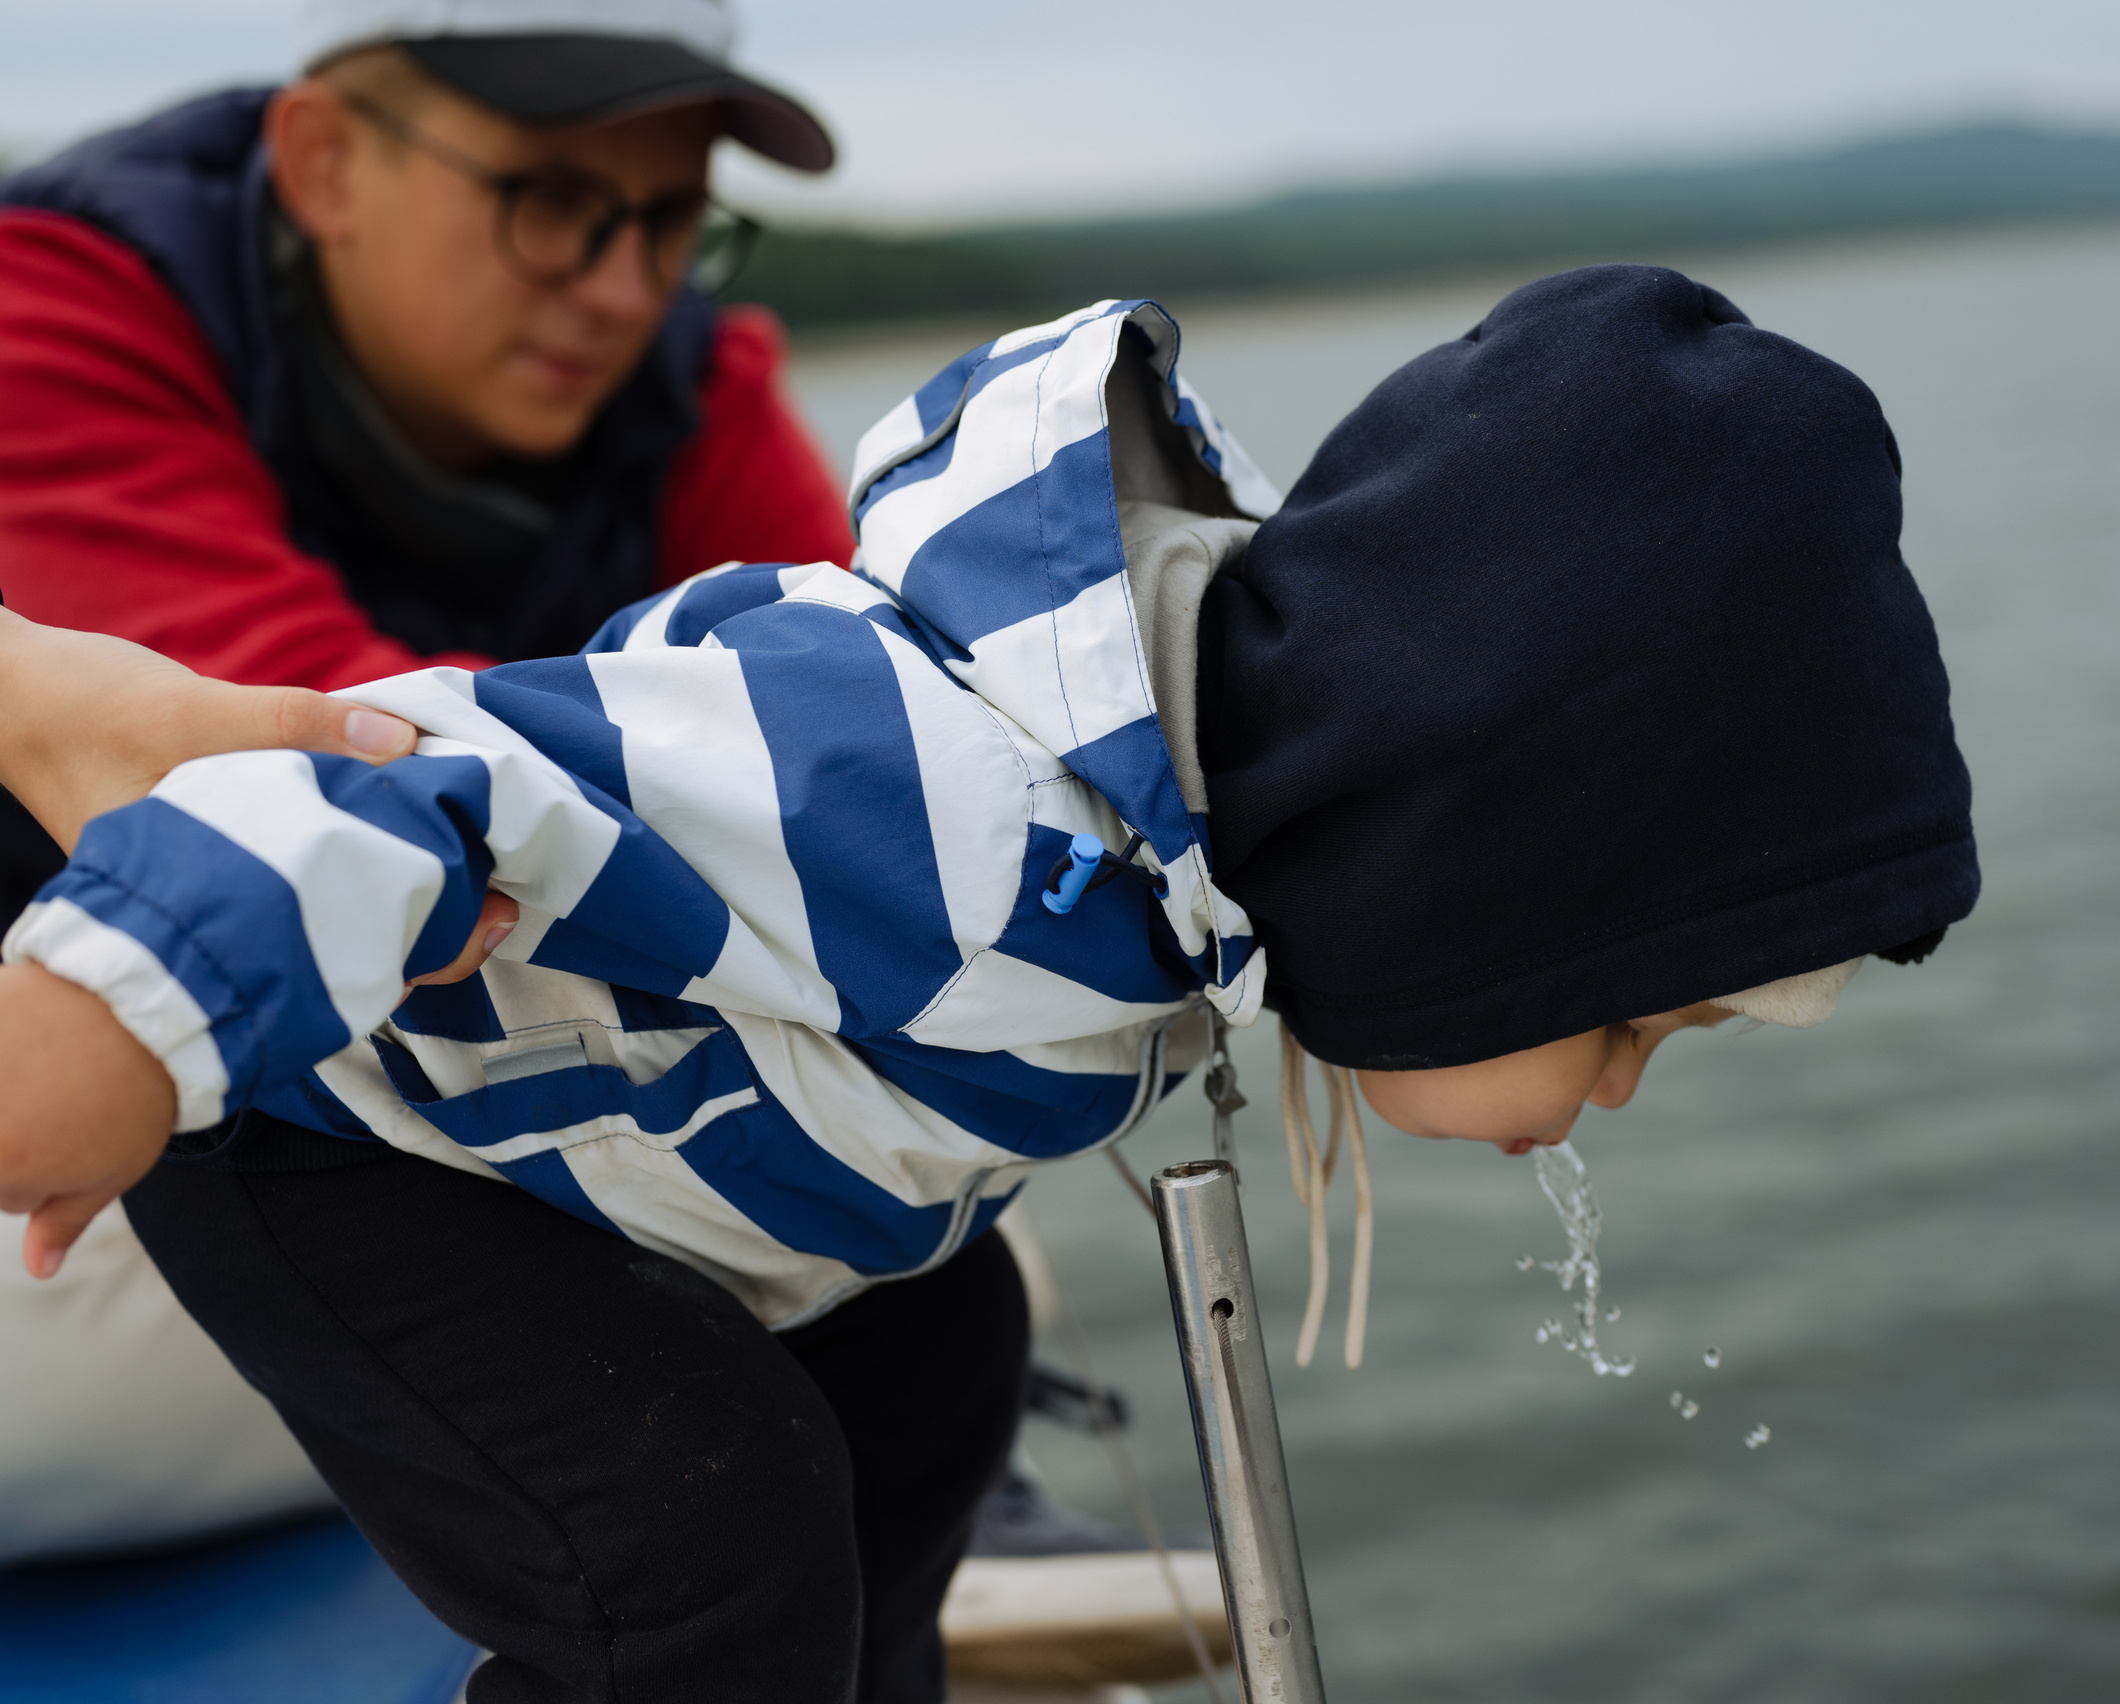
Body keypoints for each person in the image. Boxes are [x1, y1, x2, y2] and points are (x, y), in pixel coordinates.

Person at [0, 264, 1978, 1702]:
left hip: (572, 1153)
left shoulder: (1191, 851)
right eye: (1645, 1014)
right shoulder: (919, 792)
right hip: (315, 1109)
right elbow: (408, 792)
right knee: (699, 1540)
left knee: (932, 1354)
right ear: (1507, 860)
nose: (1616, 1089)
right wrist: (116, 1024)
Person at [0, 0, 853, 925]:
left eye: (671, 216)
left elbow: (859, 708)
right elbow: (337, 743)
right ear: (326, 165)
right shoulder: (49, 319)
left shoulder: (692, 373)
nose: (625, 291)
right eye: (552, 200)